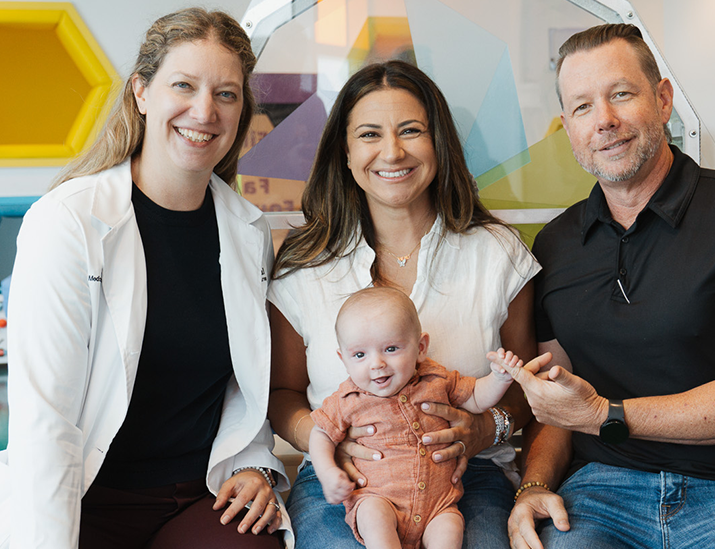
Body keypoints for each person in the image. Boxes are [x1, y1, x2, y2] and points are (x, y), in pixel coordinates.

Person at [505, 23, 715, 549]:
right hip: (598, 495)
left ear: (663, 98)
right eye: (582, 107)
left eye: (621, 94)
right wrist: (534, 486)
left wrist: (606, 416)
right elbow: (559, 406)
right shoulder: (556, 244)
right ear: (567, 127)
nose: (604, 120)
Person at [0, 8, 293, 549]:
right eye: (183, 85)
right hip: (86, 494)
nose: (204, 111)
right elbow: (48, 422)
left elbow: (242, 381)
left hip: (199, 493)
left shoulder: (249, 231)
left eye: (226, 94)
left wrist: (254, 463)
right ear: (141, 91)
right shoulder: (67, 223)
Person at [267, 60, 541, 549]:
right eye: (369, 134)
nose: (392, 151)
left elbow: (527, 387)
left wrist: (486, 428)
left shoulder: (497, 253)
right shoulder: (304, 264)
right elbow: (281, 393)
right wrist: (329, 441)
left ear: (438, 145)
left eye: (411, 130)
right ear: (345, 154)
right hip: (347, 479)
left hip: (466, 477)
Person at [309, 287, 521, 549]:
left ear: (420, 347)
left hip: (438, 506)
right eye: (360, 355)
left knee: (451, 527)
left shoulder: (437, 380)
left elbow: (476, 398)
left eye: (391, 348)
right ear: (344, 359)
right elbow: (320, 433)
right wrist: (327, 471)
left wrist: (499, 378)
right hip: (378, 499)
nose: (376, 364)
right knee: (373, 516)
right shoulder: (348, 399)